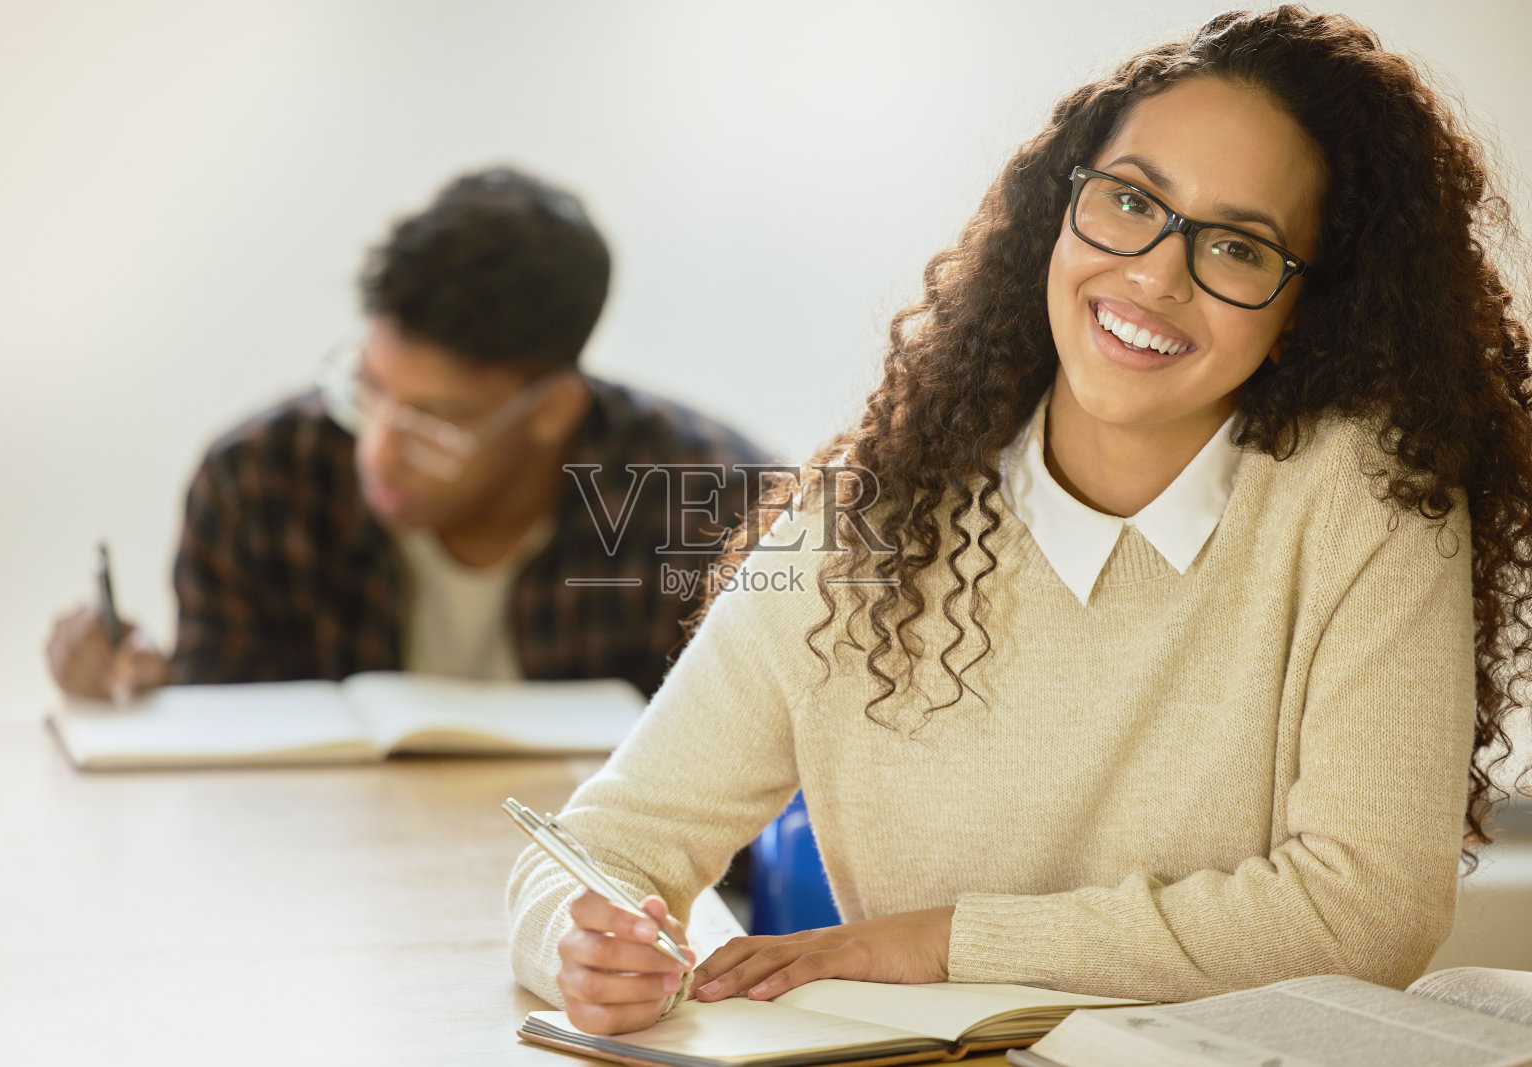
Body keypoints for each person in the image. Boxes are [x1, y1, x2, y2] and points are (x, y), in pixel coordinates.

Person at [506, 5, 1532, 1036]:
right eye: (1131, 201)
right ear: (1061, 205)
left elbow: (1365, 912)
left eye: (1238, 246)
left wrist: (939, 939)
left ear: (1302, 304)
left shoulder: (1369, 498)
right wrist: (588, 944)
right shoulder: (869, 517)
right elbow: (603, 841)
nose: (1155, 275)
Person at [46, 166, 770, 702]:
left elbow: (759, 795)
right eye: (370, 389)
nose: (380, 450)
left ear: (553, 408)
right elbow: (225, 746)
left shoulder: (713, 506)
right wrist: (142, 690)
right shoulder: (262, 478)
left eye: (438, 421)